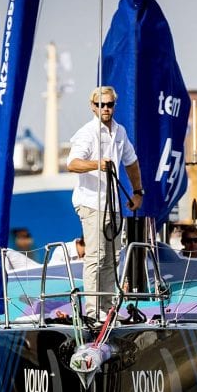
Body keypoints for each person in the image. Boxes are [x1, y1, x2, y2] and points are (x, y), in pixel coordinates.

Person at [67, 86, 145, 318]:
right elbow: (72, 163)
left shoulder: (119, 131)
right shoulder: (87, 133)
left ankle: (108, 309)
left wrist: (138, 191)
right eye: (101, 105)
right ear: (93, 106)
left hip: (113, 203)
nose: (106, 109)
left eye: (110, 105)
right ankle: (92, 311)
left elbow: (131, 162)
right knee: (97, 256)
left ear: (114, 106)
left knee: (113, 257)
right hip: (91, 203)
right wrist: (97, 163)